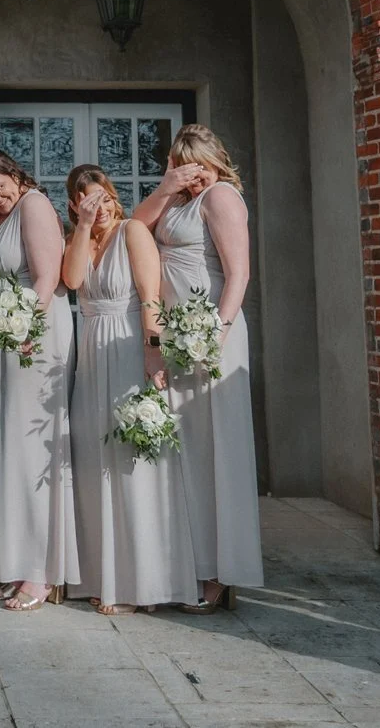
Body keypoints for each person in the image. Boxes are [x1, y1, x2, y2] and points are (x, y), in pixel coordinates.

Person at [131, 124, 264, 611]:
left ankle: (219, 572)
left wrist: (216, 334)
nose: (193, 177)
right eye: (183, 168)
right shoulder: (178, 198)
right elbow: (136, 226)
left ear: (216, 163)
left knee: (215, 450)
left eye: (199, 167)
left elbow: (239, 272)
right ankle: (192, 560)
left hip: (210, 338)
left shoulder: (222, 196)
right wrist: (166, 188)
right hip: (178, 337)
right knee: (187, 451)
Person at [63, 165, 200, 613]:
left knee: (132, 463)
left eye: (101, 198)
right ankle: (105, 575)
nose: (97, 207)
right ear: (74, 204)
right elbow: (72, 281)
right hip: (90, 354)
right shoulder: (82, 237)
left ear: (113, 197)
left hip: (126, 349)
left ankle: (142, 582)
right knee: (94, 460)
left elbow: (150, 296)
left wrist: (153, 351)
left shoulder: (133, 231)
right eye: (86, 200)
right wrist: (82, 226)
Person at [0, 144, 79, 612]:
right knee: (4, 449)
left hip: (36, 331)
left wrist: (24, 328)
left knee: (32, 446)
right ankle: (13, 560)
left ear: (15, 176)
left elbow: (48, 277)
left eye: (2, 185)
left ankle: (42, 571)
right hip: (1, 334)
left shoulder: (34, 205)